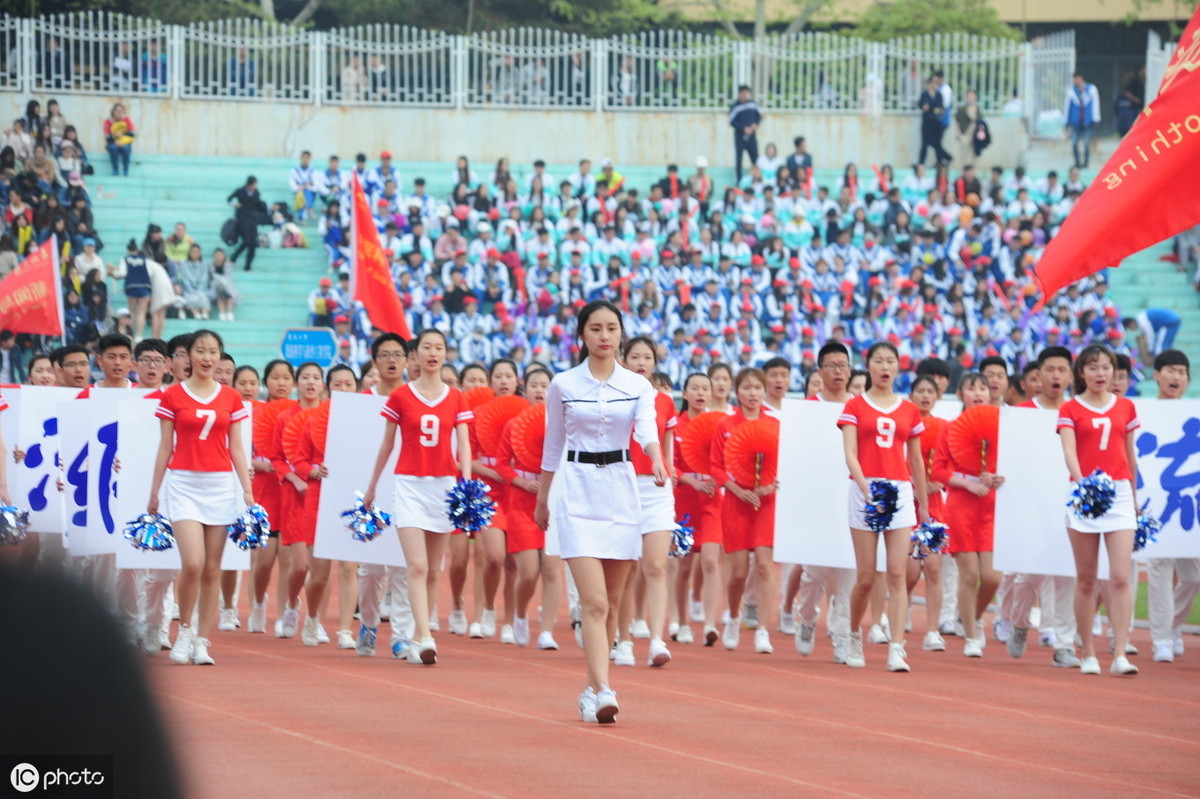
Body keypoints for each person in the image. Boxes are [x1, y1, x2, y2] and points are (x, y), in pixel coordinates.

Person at [535, 300, 667, 724]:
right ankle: (606, 688)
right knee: (592, 602)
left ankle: (592, 687)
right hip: (576, 489)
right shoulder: (563, 384)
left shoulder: (639, 386)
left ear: (621, 334)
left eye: (612, 328)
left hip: (622, 490)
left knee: (610, 602)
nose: (605, 336)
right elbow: (553, 443)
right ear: (582, 335)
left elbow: (646, 428)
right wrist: (543, 498)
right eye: (596, 328)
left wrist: (656, 455)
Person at [363, 329, 474, 666]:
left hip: (443, 488)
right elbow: (386, 444)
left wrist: (466, 485)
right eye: (426, 347)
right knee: (417, 564)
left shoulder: (456, 397)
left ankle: (415, 635)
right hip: (409, 485)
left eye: (439, 347)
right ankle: (423, 635)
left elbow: (464, 444)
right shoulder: (401, 397)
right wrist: (371, 486)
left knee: (433, 570)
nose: (433, 353)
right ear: (415, 355)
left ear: (445, 354)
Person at [148, 330, 253, 666]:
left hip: (220, 485)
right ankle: (185, 631)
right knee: (192, 563)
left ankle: (203, 641)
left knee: (212, 568)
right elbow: (165, 445)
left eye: (214, 351)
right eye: (201, 351)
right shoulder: (172, 395)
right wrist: (154, 490)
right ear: (187, 356)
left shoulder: (231, 397)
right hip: (184, 483)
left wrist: (247, 490)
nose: (208, 357)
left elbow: (236, 446)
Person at [838, 342, 929, 672]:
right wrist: (865, 487)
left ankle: (896, 647)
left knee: (896, 572)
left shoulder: (909, 409)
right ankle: (852, 635)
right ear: (869, 366)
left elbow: (916, 460)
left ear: (898, 367)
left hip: (901, 491)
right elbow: (849, 452)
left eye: (890, 361)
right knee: (865, 577)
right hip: (865, 489)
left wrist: (925, 505)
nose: (885, 366)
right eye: (878, 361)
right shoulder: (854, 405)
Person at [1057, 345, 1140, 676]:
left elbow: (1129, 454)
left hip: (1119, 493)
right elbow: (1069, 451)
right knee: (1087, 578)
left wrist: (1133, 495)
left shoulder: (1126, 406)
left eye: (1106, 367)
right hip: (1085, 493)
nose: (1101, 373)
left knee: (1120, 577)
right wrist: (1083, 485)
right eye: (1093, 367)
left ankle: (1120, 652)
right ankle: (1088, 651)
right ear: (1082, 373)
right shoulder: (1070, 408)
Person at [1006, 347, 1078, 668]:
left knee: (1067, 576)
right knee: (1028, 577)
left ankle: (1064, 643)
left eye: (1063, 370)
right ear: (1039, 375)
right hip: (1033, 506)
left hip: (1070, 504)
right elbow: (1010, 460)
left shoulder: (1078, 411)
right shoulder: (1022, 412)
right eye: (1050, 370)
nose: (1056, 376)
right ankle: (1020, 623)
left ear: (1071, 376)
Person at [615, 336, 677, 667]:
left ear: (655, 363)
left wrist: (669, 470)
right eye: (635, 356)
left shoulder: (665, 401)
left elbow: (667, 447)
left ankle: (656, 639)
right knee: (627, 568)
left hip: (656, 490)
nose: (641, 362)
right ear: (623, 360)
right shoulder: (614, 395)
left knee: (656, 566)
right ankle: (623, 639)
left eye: (647, 357)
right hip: (622, 487)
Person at [290, 364, 360, 650]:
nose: (344, 389)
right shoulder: (314, 420)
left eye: (349, 384)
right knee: (318, 572)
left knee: (349, 568)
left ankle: (344, 629)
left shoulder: (365, 421)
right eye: (338, 384)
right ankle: (313, 617)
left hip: (352, 500)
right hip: (319, 500)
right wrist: (315, 471)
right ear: (329, 388)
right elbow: (300, 461)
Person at [711, 367, 779, 654]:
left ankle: (763, 629)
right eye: (747, 388)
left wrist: (771, 485)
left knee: (764, 565)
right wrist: (736, 489)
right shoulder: (726, 425)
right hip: (737, 502)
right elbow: (715, 466)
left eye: (757, 388)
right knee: (737, 572)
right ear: (737, 391)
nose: (753, 393)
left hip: (765, 503)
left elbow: (785, 462)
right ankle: (734, 617)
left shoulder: (776, 424)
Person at [494, 366, 561, 649]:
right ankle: (520, 614)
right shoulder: (514, 425)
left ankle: (546, 631)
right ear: (525, 388)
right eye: (534, 384)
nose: (539, 390)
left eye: (545, 385)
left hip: (555, 500)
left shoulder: (563, 424)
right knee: (529, 571)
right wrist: (521, 482)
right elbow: (499, 464)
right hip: (522, 502)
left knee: (552, 568)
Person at [1144, 350, 1199, 663]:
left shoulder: (1195, 415)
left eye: (1182, 371)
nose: (1176, 377)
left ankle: (1173, 625)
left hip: (1189, 504)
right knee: (1159, 568)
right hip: (1156, 504)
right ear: (1156, 375)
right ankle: (1161, 638)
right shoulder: (1144, 412)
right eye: (1170, 371)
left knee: (1193, 576)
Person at [467, 359, 521, 643]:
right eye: (498, 376)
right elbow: (468, 460)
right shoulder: (477, 416)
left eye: (508, 376)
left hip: (518, 494)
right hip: (488, 494)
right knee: (494, 558)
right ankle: (487, 609)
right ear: (491, 381)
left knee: (514, 562)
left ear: (516, 381)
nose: (503, 381)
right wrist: (497, 473)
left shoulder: (526, 415)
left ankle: (510, 622)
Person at [276, 362, 327, 645]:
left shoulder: (331, 416)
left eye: (316, 377)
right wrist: (296, 478)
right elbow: (276, 457)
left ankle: (315, 618)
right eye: (305, 377)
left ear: (323, 384)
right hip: (296, 499)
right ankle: (292, 605)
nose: (311, 382)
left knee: (322, 569)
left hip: (323, 499)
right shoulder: (285, 417)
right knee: (300, 566)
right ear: (297, 383)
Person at [671, 373, 723, 646]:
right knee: (684, 567)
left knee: (711, 561)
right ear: (686, 394)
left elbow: (728, 460)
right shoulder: (676, 427)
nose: (701, 393)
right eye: (695, 388)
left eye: (706, 388)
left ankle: (710, 624)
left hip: (712, 501)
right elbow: (671, 463)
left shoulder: (718, 426)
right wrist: (689, 479)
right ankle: (681, 623)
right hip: (685, 502)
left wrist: (719, 478)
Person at [247, 360, 296, 634]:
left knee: (289, 559)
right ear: (266, 382)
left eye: (286, 377)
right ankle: (257, 602)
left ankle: (287, 613)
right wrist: (257, 464)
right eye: (275, 377)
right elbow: (241, 451)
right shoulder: (253, 412)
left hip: (291, 491)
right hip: (264, 491)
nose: (281, 382)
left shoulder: (300, 413)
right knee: (264, 560)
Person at [907, 375, 947, 652]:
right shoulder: (904, 425)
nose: (925, 396)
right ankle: (902, 606)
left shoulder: (945, 428)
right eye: (919, 391)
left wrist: (939, 482)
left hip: (934, 505)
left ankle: (932, 630)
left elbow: (952, 465)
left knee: (933, 568)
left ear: (937, 397)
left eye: (929, 392)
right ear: (911, 395)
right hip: (905, 503)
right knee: (909, 571)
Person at [106, 239, 152, 342]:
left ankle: (131, 331)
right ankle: (139, 335)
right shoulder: (145, 259)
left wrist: (113, 273)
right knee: (142, 312)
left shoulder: (125, 259)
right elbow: (150, 273)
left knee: (132, 311)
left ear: (128, 250)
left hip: (132, 286)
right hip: (144, 286)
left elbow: (122, 273)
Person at [228, 175, 268, 271]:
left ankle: (248, 265)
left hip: (252, 220)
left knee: (252, 244)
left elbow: (258, 205)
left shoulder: (256, 193)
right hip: (242, 219)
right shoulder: (240, 191)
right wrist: (235, 204)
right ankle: (234, 257)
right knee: (246, 241)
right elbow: (229, 199)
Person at [1064, 72, 1101, 169]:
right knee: (1074, 143)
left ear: (1081, 78)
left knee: (1086, 143)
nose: (1074, 81)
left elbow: (1095, 105)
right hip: (1076, 122)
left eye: (1076, 78)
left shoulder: (1091, 89)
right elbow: (1067, 107)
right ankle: (1077, 163)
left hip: (1087, 122)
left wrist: (1096, 118)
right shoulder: (1072, 91)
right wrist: (1067, 121)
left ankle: (1085, 163)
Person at [729, 85, 761, 184]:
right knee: (739, 159)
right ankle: (738, 181)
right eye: (742, 93)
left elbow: (758, 116)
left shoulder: (753, 104)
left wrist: (755, 125)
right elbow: (731, 121)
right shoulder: (735, 106)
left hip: (752, 136)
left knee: (755, 159)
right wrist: (743, 128)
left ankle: (757, 179)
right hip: (740, 137)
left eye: (746, 93)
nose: (744, 95)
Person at [918, 77, 950, 166]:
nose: (933, 85)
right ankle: (921, 163)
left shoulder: (938, 95)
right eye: (931, 83)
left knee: (937, 144)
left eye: (935, 83)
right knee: (924, 144)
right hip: (927, 122)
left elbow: (940, 107)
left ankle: (941, 162)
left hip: (936, 122)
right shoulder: (924, 94)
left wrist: (930, 107)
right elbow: (921, 105)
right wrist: (929, 108)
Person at [102, 103, 134, 176]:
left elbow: (132, 133)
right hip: (113, 143)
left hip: (124, 142)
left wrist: (122, 135)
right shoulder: (108, 122)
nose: (119, 113)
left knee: (126, 148)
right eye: (117, 111)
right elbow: (107, 137)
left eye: (121, 111)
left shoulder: (127, 120)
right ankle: (115, 170)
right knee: (113, 148)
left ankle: (125, 170)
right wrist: (115, 139)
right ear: (113, 112)